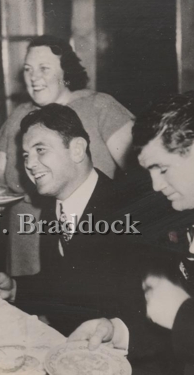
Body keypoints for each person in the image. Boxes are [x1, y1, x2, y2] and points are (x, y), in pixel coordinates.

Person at [0, 104, 171, 369]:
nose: (29, 164)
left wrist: (115, 331)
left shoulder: (131, 212)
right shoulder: (55, 208)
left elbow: (165, 321)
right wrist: (17, 288)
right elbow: (66, 285)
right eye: (26, 155)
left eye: (40, 150)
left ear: (77, 149)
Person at [0, 35, 134, 276]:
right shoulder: (20, 115)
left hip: (89, 231)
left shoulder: (99, 106)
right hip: (25, 234)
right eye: (28, 69)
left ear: (67, 73)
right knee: (26, 301)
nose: (34, 77)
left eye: (44, 68)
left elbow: (138, 169)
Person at [69, 92, 194, 373]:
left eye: (162, 169)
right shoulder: (184, 222)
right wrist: (117, 332)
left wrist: (182, 316)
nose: (156, 185)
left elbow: (183, 322)